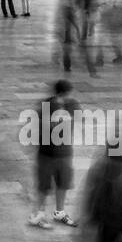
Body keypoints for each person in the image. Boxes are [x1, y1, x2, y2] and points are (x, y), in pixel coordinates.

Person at [29, 79, 82, 229]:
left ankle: (59, 212)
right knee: (44, 186)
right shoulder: (46, 106)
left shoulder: (72, 104)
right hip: (47, 153)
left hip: (64, 153)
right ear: (64, 93)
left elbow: (79, 117)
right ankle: (37, 216)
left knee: (63, 183)